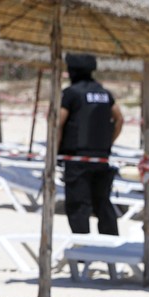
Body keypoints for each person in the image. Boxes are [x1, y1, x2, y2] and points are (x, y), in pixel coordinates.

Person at [57, 53, 123, 236]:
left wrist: (54, 150)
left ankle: (82, 248)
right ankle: (111, 247)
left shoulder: (71, 93)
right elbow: (119, 119)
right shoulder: (104, 93)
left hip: (76, 157)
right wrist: (106, 143)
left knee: (79, 205)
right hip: (101, 157)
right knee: (103, 203)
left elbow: (58, 123)